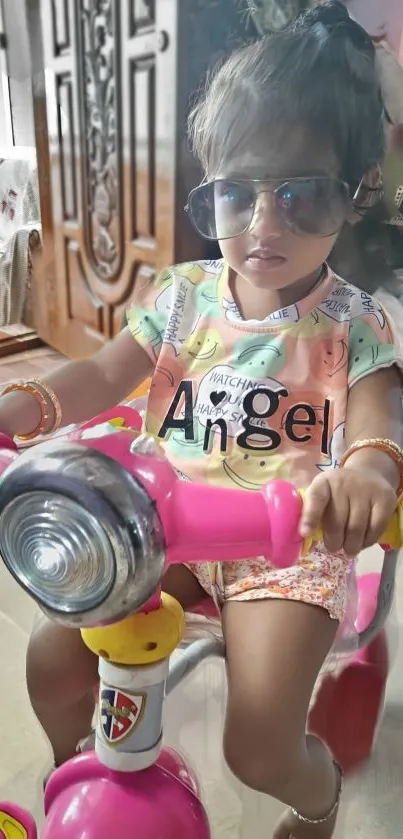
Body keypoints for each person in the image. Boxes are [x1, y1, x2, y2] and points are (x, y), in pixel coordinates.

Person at [1, 2, 403, 836]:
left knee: (257, 743)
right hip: (160, 526)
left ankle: (318, 797)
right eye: (236, 193)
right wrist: (31, 404)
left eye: (300, 195)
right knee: (54, 657)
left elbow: (376, 421)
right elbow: (101, 373)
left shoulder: (353, 322)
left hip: (280, 548)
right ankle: (83, 762)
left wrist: (367, 470)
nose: (262, 224)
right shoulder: (180, 294)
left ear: (354, 194)